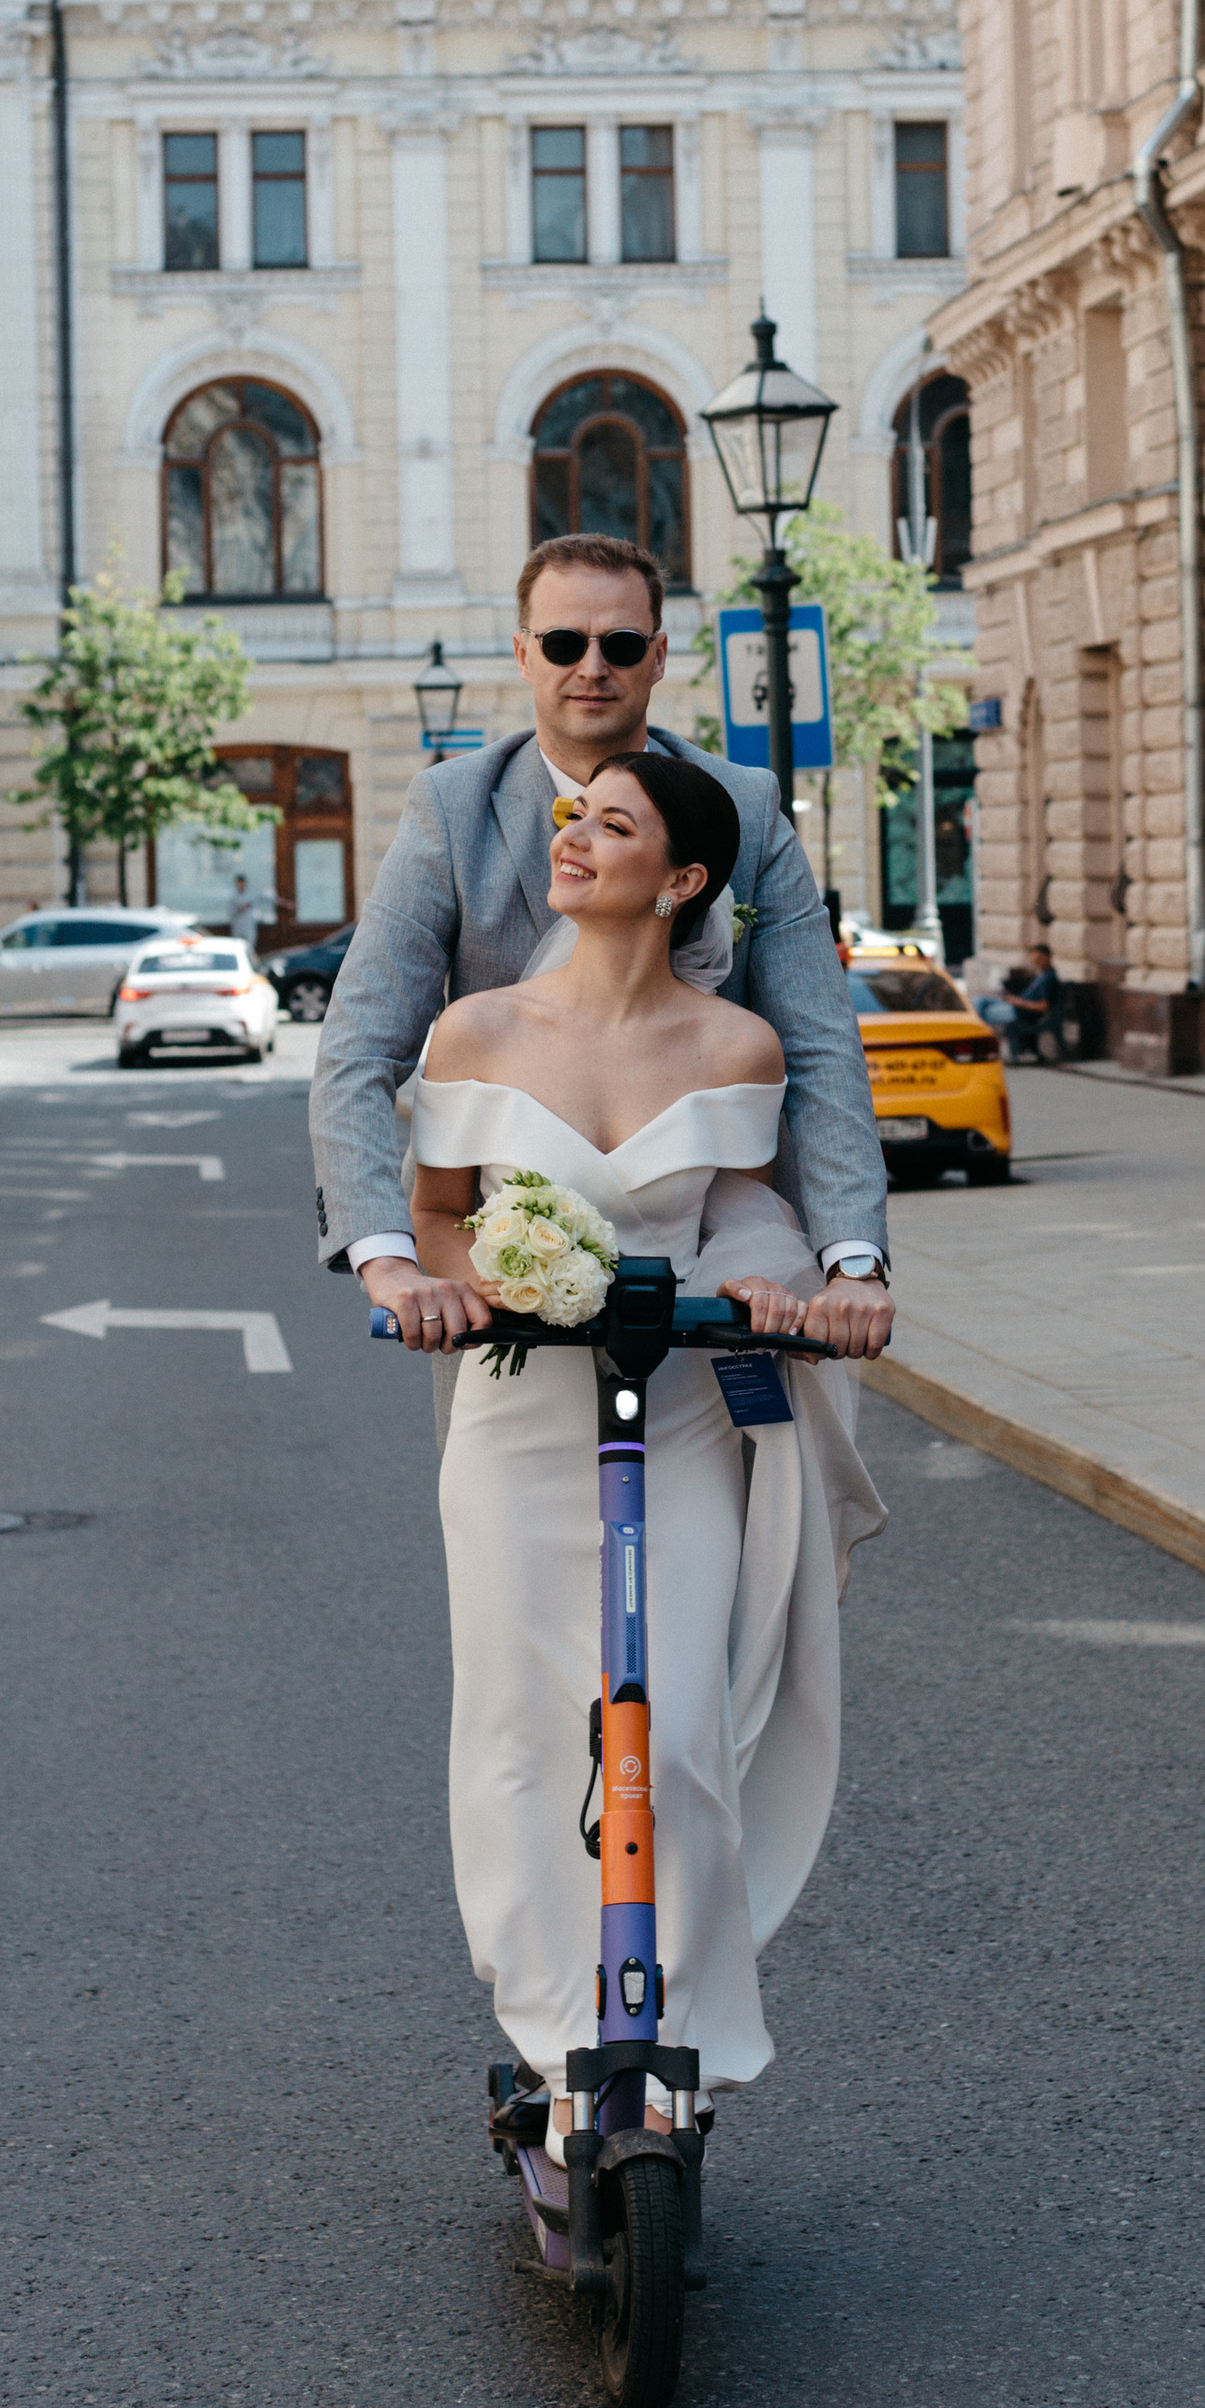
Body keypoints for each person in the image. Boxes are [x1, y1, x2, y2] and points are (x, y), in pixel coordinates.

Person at [310, 532, 895, 2114]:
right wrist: (395, 1262)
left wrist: (838, 1260)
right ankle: (554, 2030)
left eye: (620, 646)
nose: (591, 671)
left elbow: (819, 1059)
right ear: (524, 652)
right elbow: (364, 1058)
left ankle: (668, 2026)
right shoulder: (454, 814)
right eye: (562, 643)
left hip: (697, 1305)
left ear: (659, 656)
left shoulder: (739, 816)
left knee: (676, 1716)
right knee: (521, 1709)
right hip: (505, 1312)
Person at [976, 942, 1065, 1064]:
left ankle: (974, 1038)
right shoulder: (1041, 976)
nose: (1036, 962)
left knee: (981, 1012)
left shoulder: (1049, 979)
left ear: (1047, 957)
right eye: (1034, 960)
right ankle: (975, 1035)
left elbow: (1043, 1007)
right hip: (1016, 1007)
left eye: (1038, 959)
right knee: (980, 1001)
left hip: (1020, 1013)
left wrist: (1018, 1002)